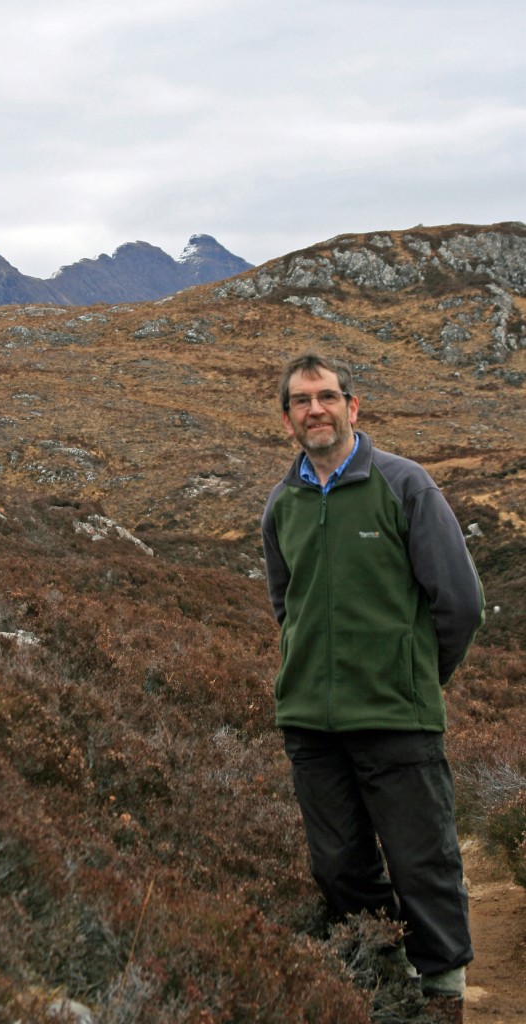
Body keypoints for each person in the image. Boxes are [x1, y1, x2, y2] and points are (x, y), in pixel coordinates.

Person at [261, 353, 484, 1024]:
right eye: (301, 401)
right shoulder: (282, 502)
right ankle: (383, 979)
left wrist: (414, 677)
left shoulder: (403, 485)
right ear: (287, 418)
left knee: (424, 864)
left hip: (396, 717)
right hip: (311, 725)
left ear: (352, 407)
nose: (315, 410)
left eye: (326, 396)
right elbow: (286, 607)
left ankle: (441, 996)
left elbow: (460, 604)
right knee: (338, 869)